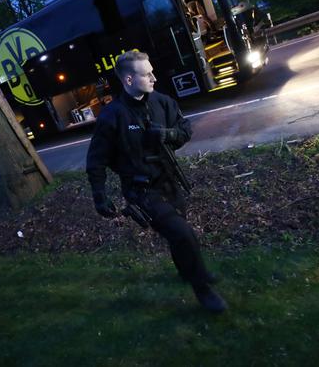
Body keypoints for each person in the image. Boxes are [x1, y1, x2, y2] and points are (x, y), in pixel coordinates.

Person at [86, 51, 227, 313]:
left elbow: (185, 130)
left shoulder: (162, 102)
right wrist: (99, 196)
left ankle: (185, 272)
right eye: (146, 73)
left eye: (151, 71)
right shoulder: (112, 116)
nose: (153, 77)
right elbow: (96, 160)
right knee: (184, 234)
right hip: (142, 191)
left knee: (178, 236)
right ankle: (203, 288)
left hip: (170, 181)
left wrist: (167, 134)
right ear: (128, 79)